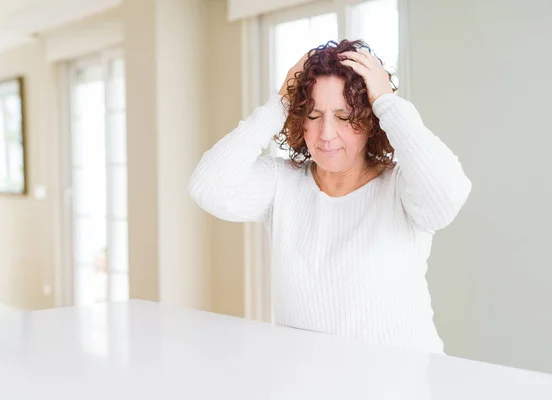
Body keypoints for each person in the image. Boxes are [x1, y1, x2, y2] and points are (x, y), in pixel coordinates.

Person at [188, 39, 471, 354]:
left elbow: (448, 195)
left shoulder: (400, 188)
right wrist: (279, 102)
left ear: (370, 122)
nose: (325, 134)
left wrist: (388, 103)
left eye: (343, 116)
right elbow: (208, 187)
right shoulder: (282, 183)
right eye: (313, 114)